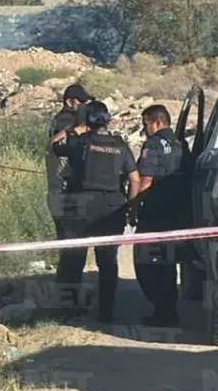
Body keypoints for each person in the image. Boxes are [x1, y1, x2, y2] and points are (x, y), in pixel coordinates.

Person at [50, 100, 140, 324]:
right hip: (111, 209)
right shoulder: (120, 146)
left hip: (80, 207)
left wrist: (74, 128)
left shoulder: (79, 142)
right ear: (107, 120)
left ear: (87, 120)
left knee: (73, 260)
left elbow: (53, 145)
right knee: (107, 263)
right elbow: (134, 179)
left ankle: (68, 312)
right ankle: (105, 314)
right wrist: (130, 209)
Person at [132, 104, 189, 326]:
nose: (144, 129)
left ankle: (162, 309)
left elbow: (146, 179)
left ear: (156, 122)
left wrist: (134, 206)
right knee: (168, 262)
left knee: (146, 261)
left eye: (145, 124)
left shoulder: (153, 144)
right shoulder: (182, 144)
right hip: (178, 213)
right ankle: (168, 310)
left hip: (155, 212)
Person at [45, 84, 92, 316]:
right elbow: (58, 145)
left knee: (72, 252)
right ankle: (67, 306)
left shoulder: (63, 121)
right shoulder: (66, 122)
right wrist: (80, 130)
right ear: (71, 101)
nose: (84, 107)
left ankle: (68, 303)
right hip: (65, 195)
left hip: (61, 193)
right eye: (81, 103)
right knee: (73, 253)